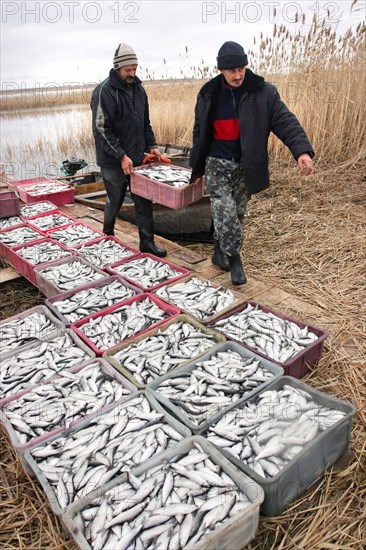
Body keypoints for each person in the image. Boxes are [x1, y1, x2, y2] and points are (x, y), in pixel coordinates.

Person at [189, 41, 314, 285]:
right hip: (217, 163)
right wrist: (197, 167)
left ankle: (218, 251)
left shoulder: (264, 92)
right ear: (221, 70)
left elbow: (285, 120)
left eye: (242, 69)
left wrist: (302, 151)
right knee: (224, 211)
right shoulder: (208, 93)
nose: (238, 75)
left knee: (237, 213)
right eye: (232, 70)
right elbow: (199, 132)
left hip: (246, 163)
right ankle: (235, 260)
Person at [91, 42, 167, 257]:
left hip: (136, 158)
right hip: (112, 159)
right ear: (117, 68)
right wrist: (121, 156)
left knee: (143, 200)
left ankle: (147, 243)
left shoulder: (139, 91)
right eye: (128, 70)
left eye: (135, 68)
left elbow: (145, 124)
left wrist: (152, 146)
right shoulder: (104, 91)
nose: (132, 73)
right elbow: (102, 129)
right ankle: (107, 236)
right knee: (115, 199)